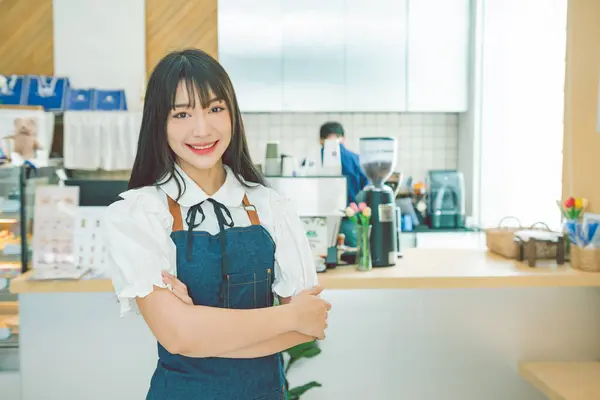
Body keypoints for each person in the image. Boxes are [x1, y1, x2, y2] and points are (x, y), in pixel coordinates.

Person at [103, 49, 331, 400]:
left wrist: (200, 329)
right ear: (158, 123)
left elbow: (310, 325)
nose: (202, 129)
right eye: (181, 113)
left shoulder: (272, 206)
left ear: (232, 115)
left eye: (215, 109)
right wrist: (288, 317)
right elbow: (178, 336)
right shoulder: (137, 214)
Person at [319, 122, 368, 247]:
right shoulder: (357, 160)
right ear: (343, 139)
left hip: (320, 222)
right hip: (350, 218)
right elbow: (366, 188)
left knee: (323, 257)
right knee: (352, 257)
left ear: (320, 140)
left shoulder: (312, 159)